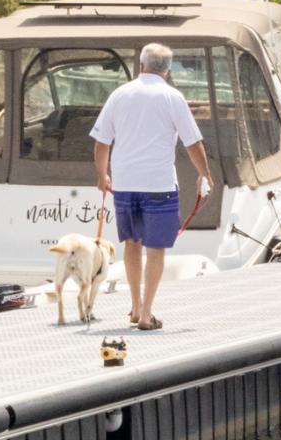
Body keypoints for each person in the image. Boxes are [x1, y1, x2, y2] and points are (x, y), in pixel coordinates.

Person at [90, 42, 211, 331]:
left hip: (125, 183)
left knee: (132, 243)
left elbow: (101, 142)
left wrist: (102, 175)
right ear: (168, 71)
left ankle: (133, 308)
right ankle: (146, 314)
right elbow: (192, 143)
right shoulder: (172, 97)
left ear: (141, 66)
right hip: (159, 184)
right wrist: (204, 174)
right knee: (155, 248)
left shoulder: (119, 94)